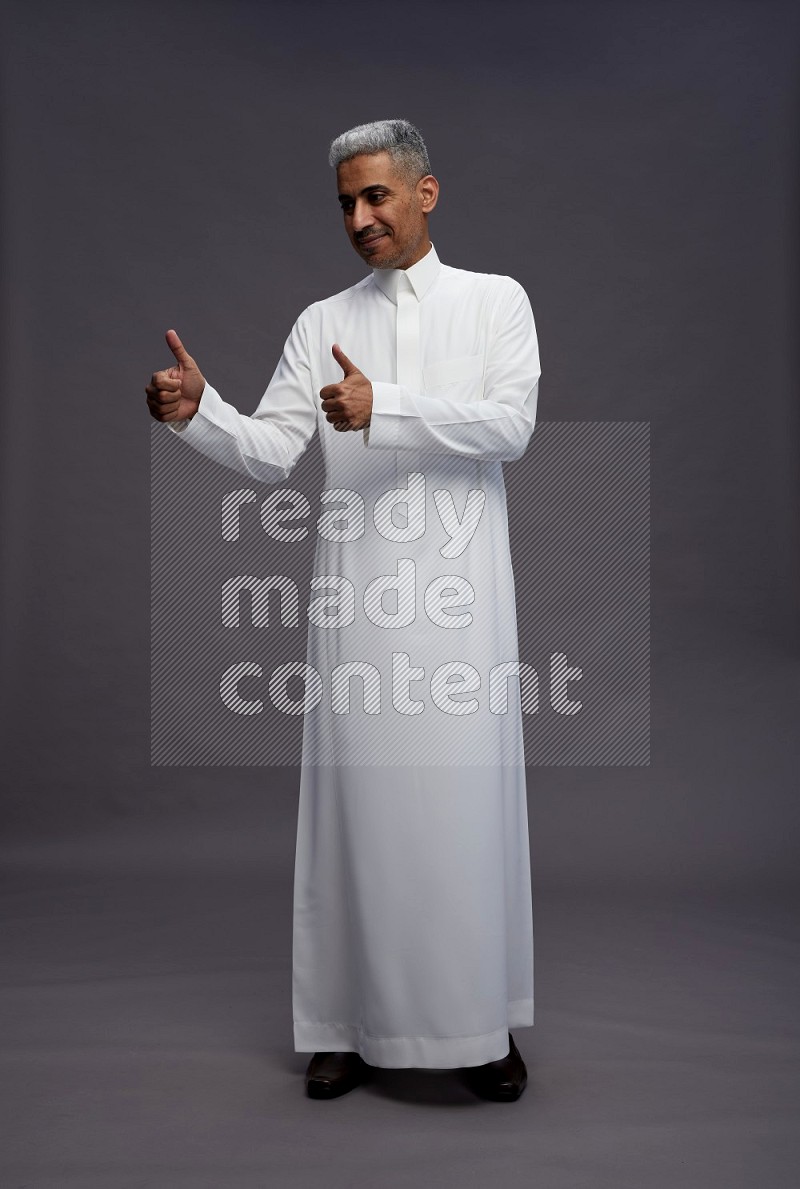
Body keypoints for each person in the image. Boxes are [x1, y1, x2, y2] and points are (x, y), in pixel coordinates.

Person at [145, 119, 541, 1102]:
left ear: (425, 194)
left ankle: (477, 1027)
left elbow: (511, 423)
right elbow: (271, 449)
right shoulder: (321, 317)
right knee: (354, 811)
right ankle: (344, 1024)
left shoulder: (495, 304)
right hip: (357, 601)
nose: (359, 218)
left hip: (458, 609)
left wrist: (388, 407)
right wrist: (200, 415)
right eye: (346, 204)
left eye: (375, 197)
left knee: (460, 815)